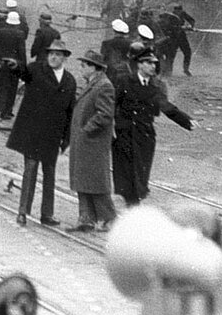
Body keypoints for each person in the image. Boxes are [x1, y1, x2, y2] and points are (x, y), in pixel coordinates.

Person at [6, 40, 77, 227]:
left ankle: (47, 214)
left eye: (58, 54)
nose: (53, 57)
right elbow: (24, 72)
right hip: (33, 132)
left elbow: (70, 112)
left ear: (64, 58)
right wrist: (16, 66)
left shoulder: (70, 81)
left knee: (49, 173)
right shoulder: (36, 69)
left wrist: (66, 139)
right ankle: (22, 212)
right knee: (30, 170)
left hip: (53, 136)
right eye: (51, 53)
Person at [112, 47, 193, 207]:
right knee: (126, 171)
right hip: (125, 133)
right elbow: (113, 103)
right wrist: (112, 126)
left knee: (141, 170)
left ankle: (135, 201)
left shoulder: (155, 87)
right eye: (148, 63)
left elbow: (166, 106)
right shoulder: (125, 81)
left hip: (144, 134)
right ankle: (130, 202)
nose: (153, 66)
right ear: (139, 65)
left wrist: (186, 120)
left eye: (154, 63)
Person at [69, 49, 117, 232]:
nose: (81, 68)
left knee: (96, 183)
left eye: (84, 65)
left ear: (94, 67)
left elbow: (105, 114)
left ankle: (109, 218)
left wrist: (86, 130)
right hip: (85, 142)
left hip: (93, 142)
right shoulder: (93, 83)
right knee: (83, 181)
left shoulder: (104, 85)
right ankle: (86, 218)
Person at [0, 11, 26, 121]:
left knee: (2, 87)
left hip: (2, 63)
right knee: (12, 88)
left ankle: (1, 110)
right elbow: (22, 52)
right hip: (14, 65)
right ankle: (8, 111)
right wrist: (23, 67)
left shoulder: (0, 32)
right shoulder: (20, 34)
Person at [157, 3, 196, 77]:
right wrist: (185, 27)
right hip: (175, 37)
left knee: (185, 52)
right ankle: (170, 71)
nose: (178, 12)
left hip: (178, 36)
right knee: (173, 54)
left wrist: (190, 26)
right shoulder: (170, 16)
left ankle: (184, 69)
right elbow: (167, 26)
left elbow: (191, 21)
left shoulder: (181, 14)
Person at [100, 19, 136, 91]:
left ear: (114, 30)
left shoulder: (106, 43)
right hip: (126, 72)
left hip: (109, 73)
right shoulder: (131, 44)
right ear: (125, 32)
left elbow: (103, 59)